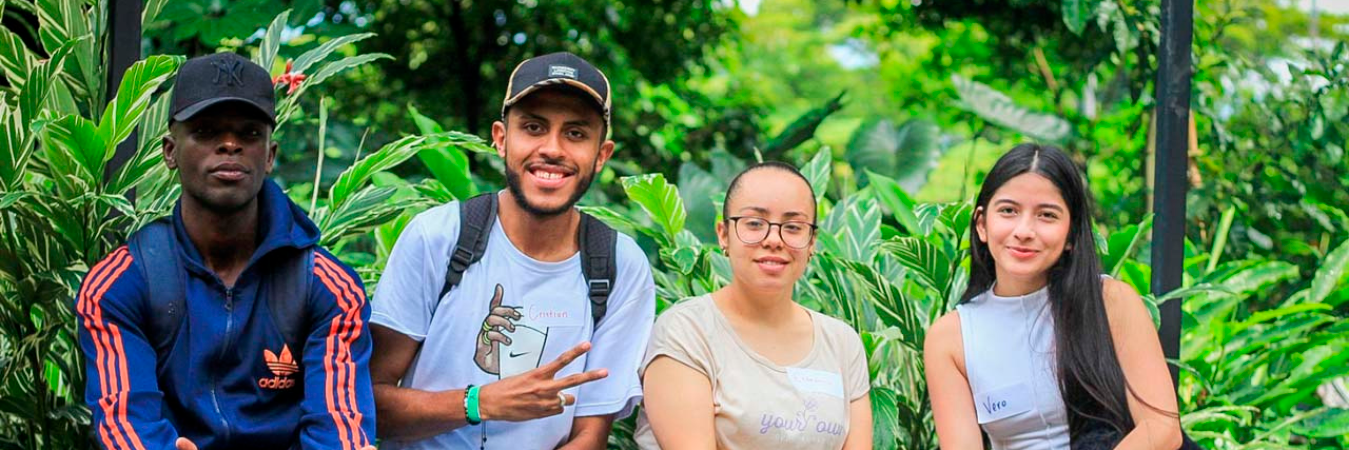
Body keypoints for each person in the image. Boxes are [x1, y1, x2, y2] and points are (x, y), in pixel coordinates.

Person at [75, 52, 376, 450]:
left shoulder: (327, 287)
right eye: (205, 131)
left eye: (250, 134)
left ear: (269, 156)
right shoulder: (120, 284)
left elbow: (340, 430)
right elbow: (127, 427)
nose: (230, 145)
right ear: (170, 151)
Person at [369, 52, 656, 449]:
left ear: (601, 155)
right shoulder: (439, 236)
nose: (552, 149)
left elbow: (590, 434)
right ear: (502, 139)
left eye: (575, 134)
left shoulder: (620, 265)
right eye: (534, 127)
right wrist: (480, 402)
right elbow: (367, 405)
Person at [924, 143, 1188, 449]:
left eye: (1046, 215)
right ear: (982, 224)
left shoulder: (1110, 302)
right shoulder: (950, 338)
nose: (1024, 230)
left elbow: (1162, 429)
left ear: (1071, 235)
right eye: (1008, 211)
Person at [635, 162, 873, 450]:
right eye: (754, 224)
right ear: (724, 234)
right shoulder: (687, 331)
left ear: (812, 242)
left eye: (794, 227)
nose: (773, 239)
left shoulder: (841, 343)